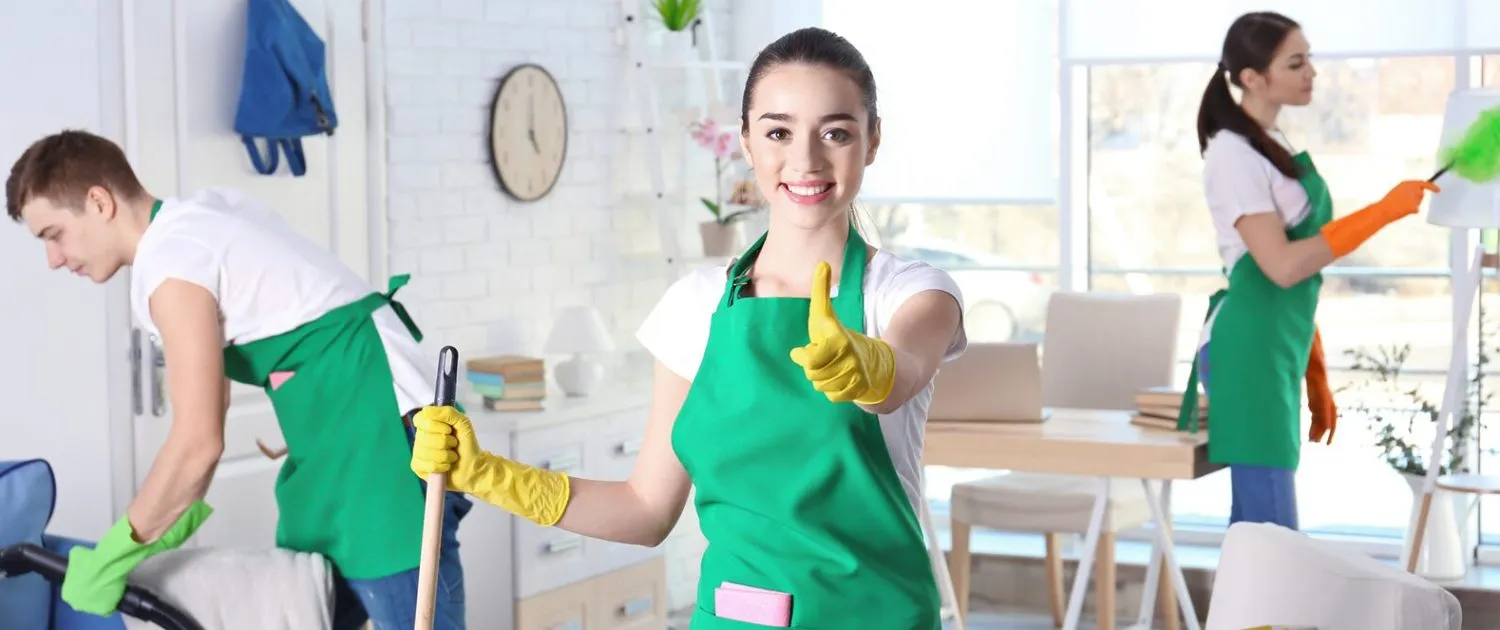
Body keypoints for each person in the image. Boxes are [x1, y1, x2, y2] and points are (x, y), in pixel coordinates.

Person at [409, 27, 967, 629]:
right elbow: (645, 510)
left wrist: (870, 367)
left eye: (835, 132)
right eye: (779, 131)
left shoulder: (908, 293)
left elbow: (903, 372)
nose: (805, 160)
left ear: (873, 140)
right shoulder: (694, 305)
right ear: (747, 142)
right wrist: (489, 474)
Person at [5, 130, 469, 629]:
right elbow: (277, 339)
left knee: (407, 612)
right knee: (307, 599)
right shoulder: (201, 218)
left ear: (98, 202)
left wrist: (113, 554)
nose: (53, 259)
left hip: (374, 432)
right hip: (343, 427)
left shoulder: (173, 265)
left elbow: (197, 442)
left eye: (53, 234)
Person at [1179, 11, 1439, 530]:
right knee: (1271, 533)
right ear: (1252, 78)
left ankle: (1249, 613)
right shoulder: (1232, 156)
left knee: (1258, 531)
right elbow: (1281, 267)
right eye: (1295, 63)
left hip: (1274, 345)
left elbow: (1298, 282)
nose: (1311, 73)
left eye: (1310, 60)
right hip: (1248, 352)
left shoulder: (1275, 147)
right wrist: (1382, 211)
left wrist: (1312, 370)